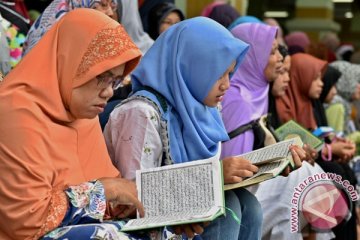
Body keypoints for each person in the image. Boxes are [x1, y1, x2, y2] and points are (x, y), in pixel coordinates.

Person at [104, 17, 267, 239]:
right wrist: (214, 176)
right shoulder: (142, 113)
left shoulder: (204, 111)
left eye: (230, 73)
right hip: (147, 229)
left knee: (248, 206)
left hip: (180, 221)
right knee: (226, 211)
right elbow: (132, 198)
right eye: (218, 74)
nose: (226, 84)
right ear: (189, 65)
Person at [0, 9, 147, 239]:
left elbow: (102, 204)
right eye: (101, 76)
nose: (109, 91)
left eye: (115, 81)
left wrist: (124, 205)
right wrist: (105, 190)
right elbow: (27, 223)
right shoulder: (15, 112)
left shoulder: (81, 114)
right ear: (69, 61)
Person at [23, 0, 117, 55]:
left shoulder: (86, 27)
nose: (110, 13)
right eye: (104, 5)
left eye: (111, 5)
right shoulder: (60, 27)